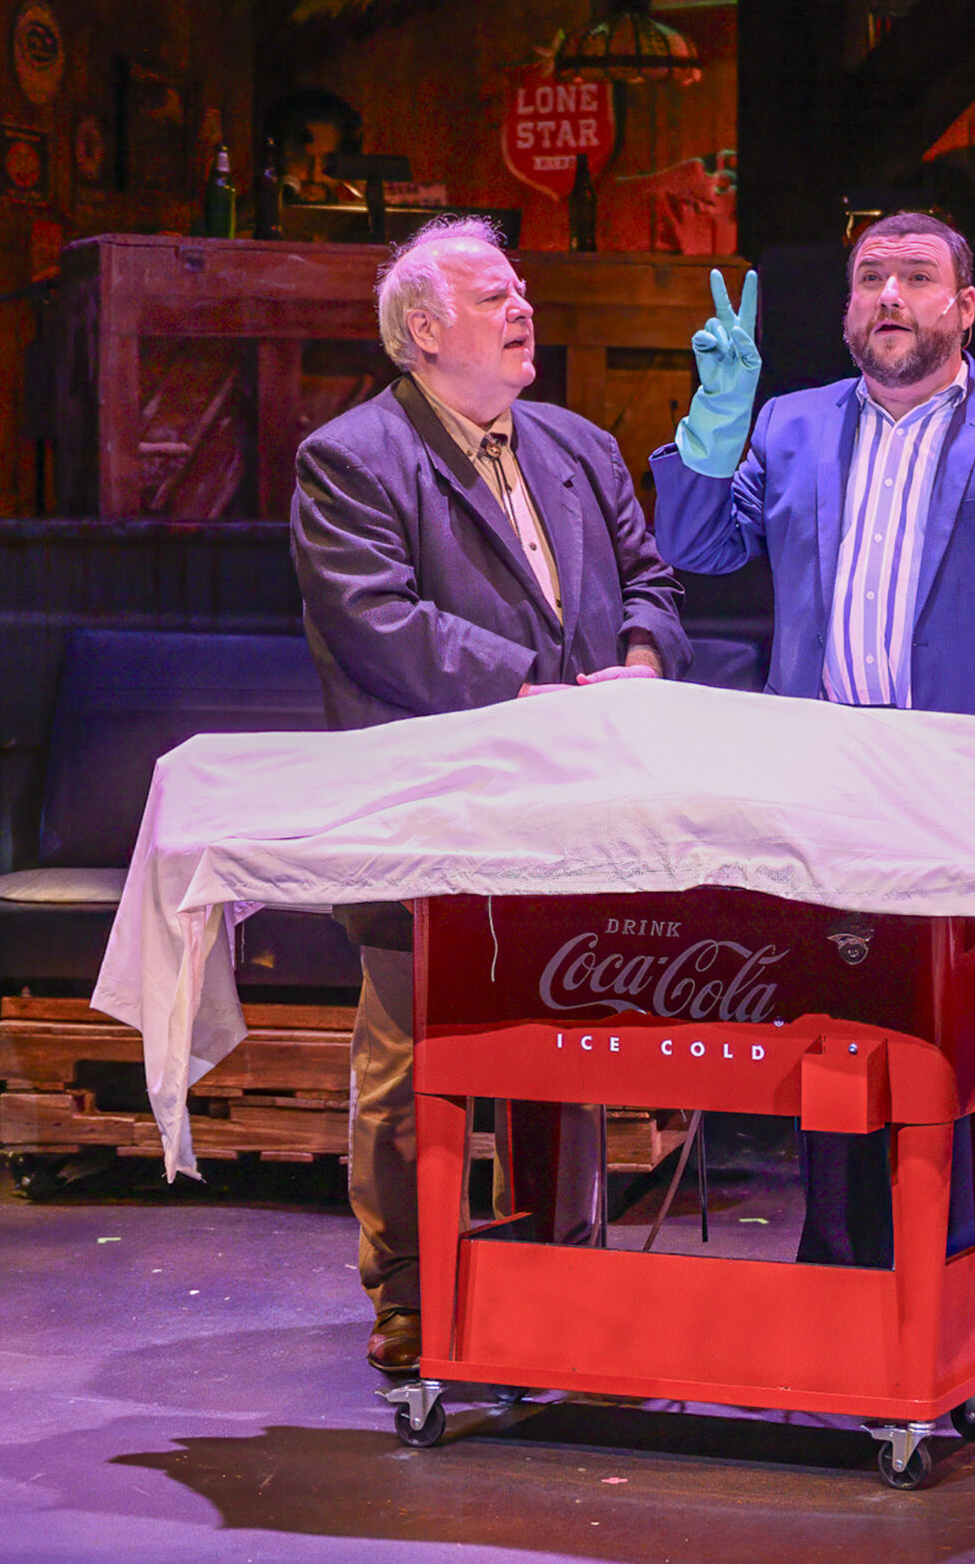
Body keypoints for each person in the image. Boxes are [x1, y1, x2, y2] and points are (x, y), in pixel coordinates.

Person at [647, 209, 975, 1279]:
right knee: (833, 1042)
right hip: (828, 788)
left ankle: (962, 1297)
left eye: (918, 277)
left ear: (965, 309)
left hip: (974, 789)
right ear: (846, 308)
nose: (889, 295)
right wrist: (713, 419)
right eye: (870, 277)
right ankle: (839, 1287)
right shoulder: (791, 423)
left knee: (961, 1053)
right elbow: (696, 544)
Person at [291, 215, 691, 1377]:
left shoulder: (579, 445)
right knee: (413, 1056)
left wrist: (644, 659)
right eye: (493, 297)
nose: (523, 310)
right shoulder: (351, 458)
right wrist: (528, 691)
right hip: (430, 805)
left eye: (521, 292)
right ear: (423, 330)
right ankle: (412, 1296)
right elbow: (376, 621)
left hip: (573, 808)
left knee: (565, 1041)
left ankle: (565, 1275)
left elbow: (651, 581)